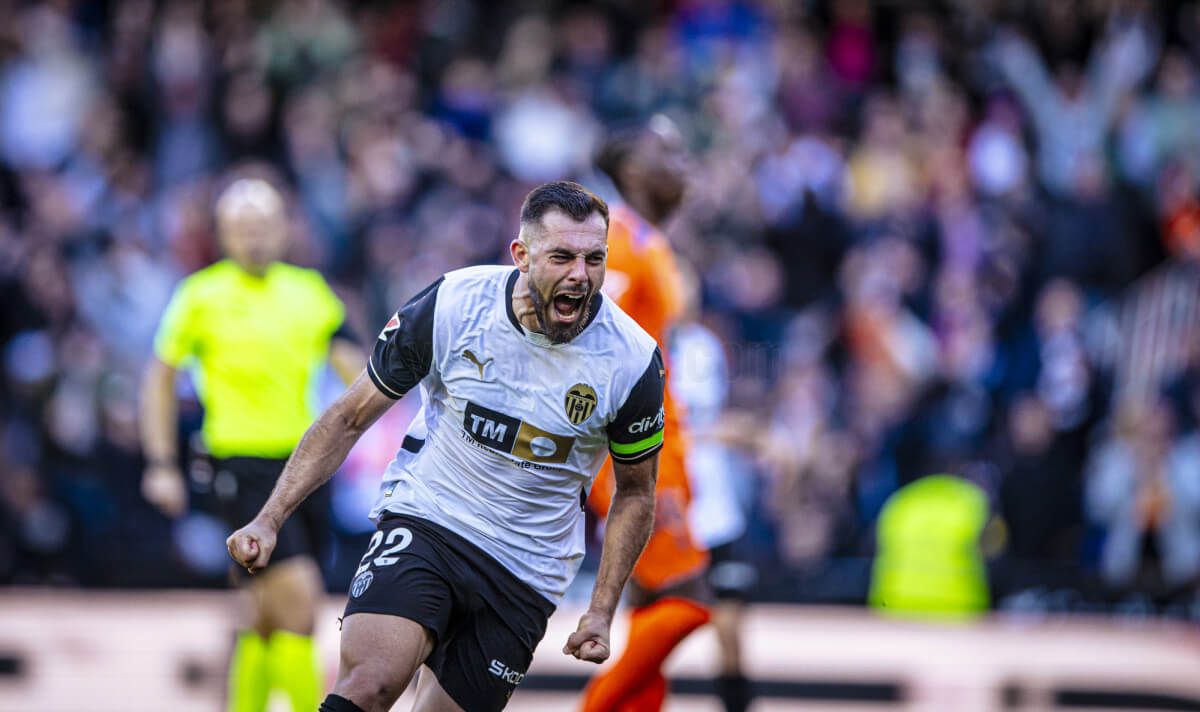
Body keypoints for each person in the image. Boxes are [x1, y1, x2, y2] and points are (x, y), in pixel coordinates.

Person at [226, 180, 667, 712]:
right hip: (428, 523)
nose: (581, 275)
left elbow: (637, 493)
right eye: (563, 257)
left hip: (525, 570)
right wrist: (269, 518)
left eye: (594, 259)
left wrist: (601, 608)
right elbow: (348, 417)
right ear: (521, 257)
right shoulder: (454, 303)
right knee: (370, 683)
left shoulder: (633, 359)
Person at [140, 177, 363, 712]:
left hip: (306, 467)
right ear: (222, 235)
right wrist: (161, 463)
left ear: (284, 230)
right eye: (241, 229)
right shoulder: (201, 295)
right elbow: (159, 379)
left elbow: (360, 368)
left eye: (262, 226)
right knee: (299, 606)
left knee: (263, 617)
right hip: (237, 464)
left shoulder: (309, 292)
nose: (253, 238)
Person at [579, 118, 712, 712]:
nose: (683, 165)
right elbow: (585, 332)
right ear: (634, 171)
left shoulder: (644, 236)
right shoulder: (618, 241)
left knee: (650, 604)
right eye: (669, 154)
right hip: (637, 444)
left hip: (657, 433)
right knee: (693, 599)